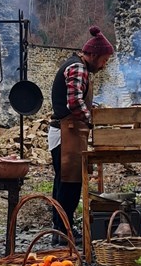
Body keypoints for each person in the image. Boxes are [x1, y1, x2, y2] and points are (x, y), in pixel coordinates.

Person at [48, 25, 114, 234]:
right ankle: (63, 231)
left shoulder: (78, 66)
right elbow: (74, 103)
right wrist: (91, 120)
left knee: (64, 183)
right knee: (69, 185)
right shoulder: (79, 68)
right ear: (93, 55)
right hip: (67, 133)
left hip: (69, 132)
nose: (104, 66)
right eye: (103, 60)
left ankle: (60, 229)